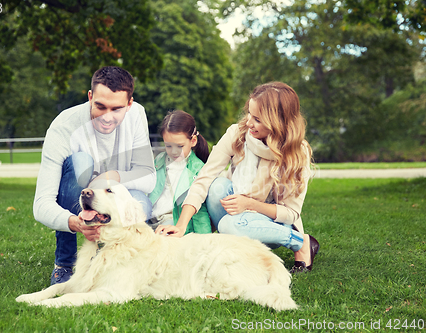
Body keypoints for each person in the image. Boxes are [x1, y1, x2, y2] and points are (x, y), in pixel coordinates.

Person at [156, 82, 319, 273]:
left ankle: (300, 242)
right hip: (237, 213)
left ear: (278, 122)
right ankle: (238, 247)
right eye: (250, 113)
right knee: (216, 186)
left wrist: (250, 205)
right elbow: (204, 178)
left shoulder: (297, 152)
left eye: (257, 119)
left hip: (271, 222)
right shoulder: (238, 133)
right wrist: (181, 226)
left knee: (227, 224)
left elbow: (291, 213)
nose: (249, 122)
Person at [34, 66, 156, 285]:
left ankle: (120, 262)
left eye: (116, 109)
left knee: (142, 205)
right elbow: (41, 204)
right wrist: (75, 222)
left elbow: (148, 177)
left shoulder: (137, 114)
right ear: (90, 97)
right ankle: (65, 265)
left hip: (114, 194)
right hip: (78, 193)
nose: (107, 117)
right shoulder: (63, 127)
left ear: (129, 104)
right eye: (100, 106)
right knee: (80, 162)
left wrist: (112, 178)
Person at [147, 110, 211, 234]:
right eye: (168, 146)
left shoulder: (198, 169)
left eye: (180, 146)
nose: (174, 152)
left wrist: (204, 237)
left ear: (193, 141)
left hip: (173, 221)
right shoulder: (159, 160)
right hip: (152, 218)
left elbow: (200, 209)